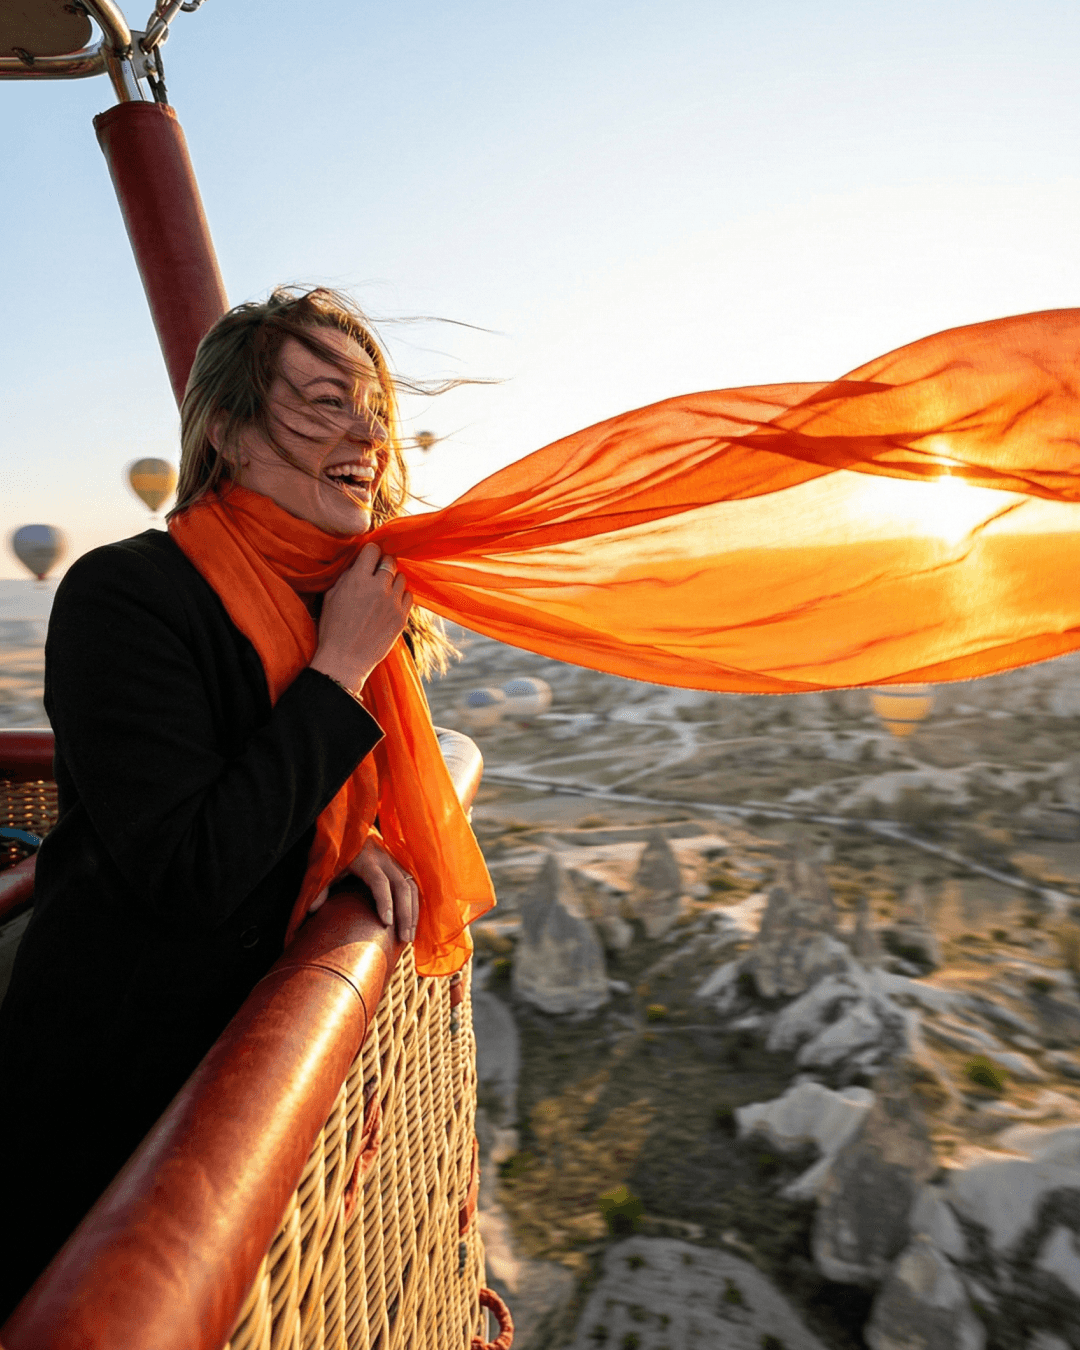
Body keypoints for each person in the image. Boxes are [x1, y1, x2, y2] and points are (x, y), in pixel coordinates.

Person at [0, 287, 454, 1318]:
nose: (367, 431)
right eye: (325, 401)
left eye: (373, 406)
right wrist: (339, 673)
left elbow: (256, 796)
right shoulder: (125, 595)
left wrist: (325, 842)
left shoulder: (335, 588)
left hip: (241, 1087)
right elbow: (191, 869)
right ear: (227, 432)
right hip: (103, 1084)